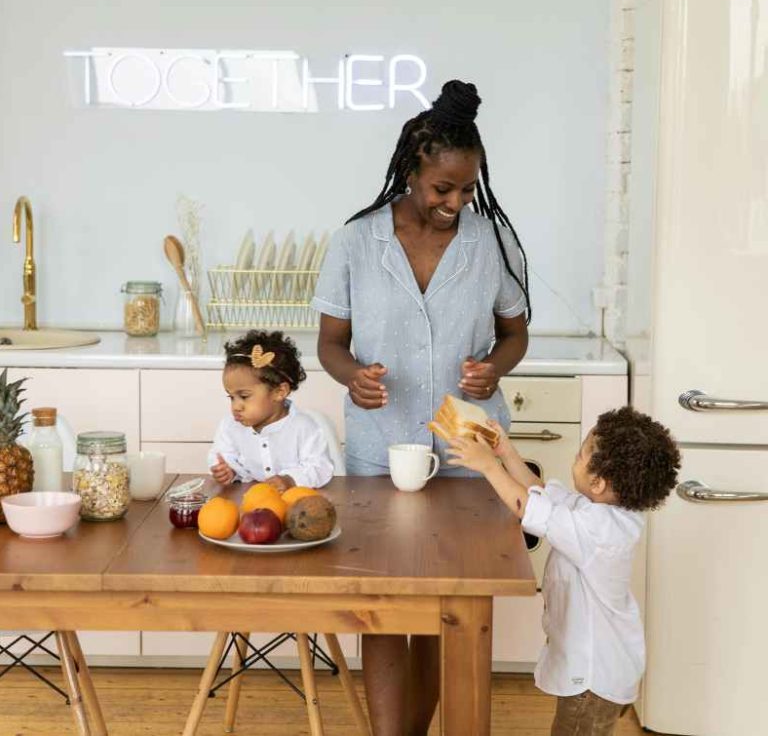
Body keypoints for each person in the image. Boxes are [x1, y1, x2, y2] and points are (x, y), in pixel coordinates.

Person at [311, 79, 530, 735]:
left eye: (467, 189)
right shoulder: (356, 242)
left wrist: (495, 367)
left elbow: (514, 333)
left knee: (446, 602)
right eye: (443, 189)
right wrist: (353, 378)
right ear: (412, 171)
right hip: (380, 448)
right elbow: (329, 344)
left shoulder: (493, 242)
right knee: (380, 601)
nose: (455, 202)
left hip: (469, 452)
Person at [447, 406, 681, 736]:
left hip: (594, 675)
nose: (577, 455)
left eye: (582, 453)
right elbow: (539, 493)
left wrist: (488, 466)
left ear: (598, 482)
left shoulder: (599, 531)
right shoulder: (598, 512)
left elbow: (526, 507)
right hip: (601, 667)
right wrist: (506, 453)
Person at [208, 329, 333, 493]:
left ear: (279, 392)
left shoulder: (304, 428)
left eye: (244, 396)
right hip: (251, 505)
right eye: (231, 397)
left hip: (296, 506)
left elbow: (320, 467)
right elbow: (222, 455)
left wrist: (290, 480)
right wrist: (228, 470)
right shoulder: (230, 426)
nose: (236, 406)